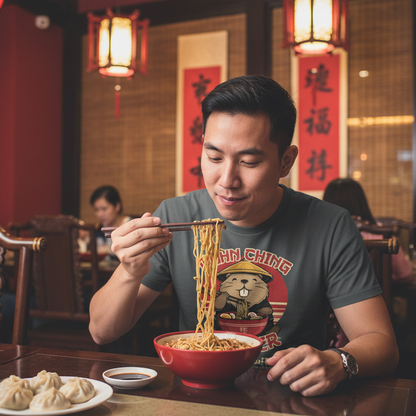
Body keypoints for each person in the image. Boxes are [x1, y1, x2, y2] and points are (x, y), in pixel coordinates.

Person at [89, 75, 398, 397]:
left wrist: (339, 361)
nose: (226, 180)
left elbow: (382, 343)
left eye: (249, 161)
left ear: (285, 161)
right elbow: (102, 331)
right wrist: (129, 270)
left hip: (288, 393)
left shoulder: (329, 225)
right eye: (214, 157)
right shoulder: (175, 216)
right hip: (195, 391)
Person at [323, 178, 413, 285]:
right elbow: (405, 275)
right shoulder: (382, 234)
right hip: (378, 299)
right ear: (361, 202)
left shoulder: (318, 236)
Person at [86, 185, 132, 256]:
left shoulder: (131, 226)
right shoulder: (98, 231)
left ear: (117, 206)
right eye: (96, 210)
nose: (100, 214)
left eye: (104, 209)